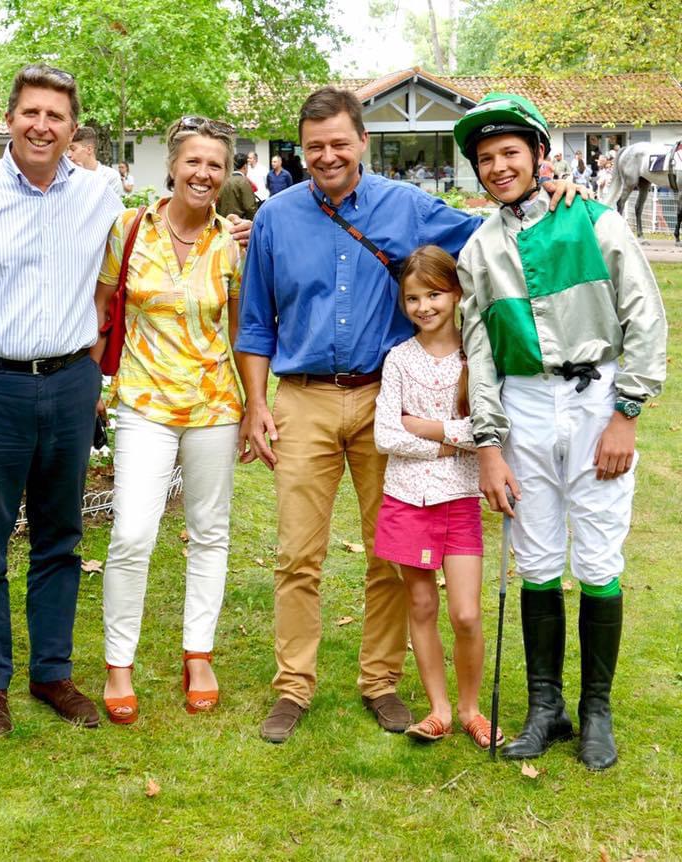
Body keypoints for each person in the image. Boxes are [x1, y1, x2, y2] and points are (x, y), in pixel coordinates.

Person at [236, 85, 587, 745]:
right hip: (303, 397)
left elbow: (496, 230)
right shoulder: (276, 219)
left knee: (392, 553)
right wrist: (255, 403)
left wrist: (553, 195)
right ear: (300, 150)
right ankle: (293, 686)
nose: (328, 156)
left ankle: (380, 681)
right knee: (297, 553)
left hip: (382, 395)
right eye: (315, 147)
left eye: (340, 143)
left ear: (362, 141)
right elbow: (256, 321)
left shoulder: (408, 207)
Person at [453, 92, 667, 770]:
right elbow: (477, 353)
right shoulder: (479, 248)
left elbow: (645, 318)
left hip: (595, 397)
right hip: (522, 406)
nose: (498, 167)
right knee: (538, 559)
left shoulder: (597, 223)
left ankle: (596, 709)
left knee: (598, 557)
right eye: (485, 159)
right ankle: (548, 707)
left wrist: (626, 414)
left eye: (510, 152)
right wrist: (488, 446)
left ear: (540, 155)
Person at [0, 64, 123, 735]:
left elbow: (154, 238)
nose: (42, 125)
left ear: (72, 129)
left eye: (56, 117)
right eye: (31, 112)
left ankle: (52, 675)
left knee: (61, 538)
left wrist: (232, 230)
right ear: (10, 117)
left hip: (70, 386)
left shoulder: (100, 193)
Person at [96, 116, 244, 724]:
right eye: (194, 162)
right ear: (173, 166)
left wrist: (254, 405)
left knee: (209, 533)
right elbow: (103, 303)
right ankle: (118, 665)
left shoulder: (232, 243)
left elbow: (239, 330)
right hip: (143, 404)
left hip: (214, 407)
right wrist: (91, 384)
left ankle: (199, 655)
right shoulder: (128, 230)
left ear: (226, 174)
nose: (203, 174)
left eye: (216, 165)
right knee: (133, 532)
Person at [373, 246, 501, 750]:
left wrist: (427, 428)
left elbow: (487, 428)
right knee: (422, 604)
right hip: (407, 498)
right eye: (412, 298)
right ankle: (440, 710)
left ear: (456, 294)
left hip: (461, 498)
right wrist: (452, 438)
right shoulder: (399, 360)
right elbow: (386, 434)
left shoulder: (478, 358)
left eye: (434, 294)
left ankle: (471, 707)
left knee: (465, 613)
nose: (423, 306)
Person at [68, 125, 125, 197]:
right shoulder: (67, 176)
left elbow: (110, 207)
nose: (68, 154)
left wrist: (84, 178)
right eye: (67, 150)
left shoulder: (110, 176)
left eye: (73, 149)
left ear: (89, 149)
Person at [217, 151, 259, 220]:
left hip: (223, 223)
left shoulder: (224, 180)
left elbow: (218, 204)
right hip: (239, 224)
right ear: (245, 166)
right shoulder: (243, 181)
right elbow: (250, 207)